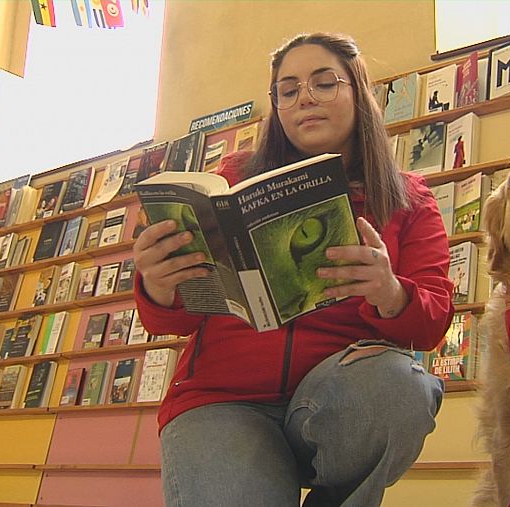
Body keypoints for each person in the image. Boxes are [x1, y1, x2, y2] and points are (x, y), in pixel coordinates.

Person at [133, 32, 454, 507]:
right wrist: (158, 285)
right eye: (287, 90)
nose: (304, 98)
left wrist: (390, 292)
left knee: (400, 386)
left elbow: (433, 322)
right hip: (222, 399)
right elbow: (169, 321)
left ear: (359, 93)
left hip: (339, 397)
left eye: (324, 83)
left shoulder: (408, 198)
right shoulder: (232, 178)